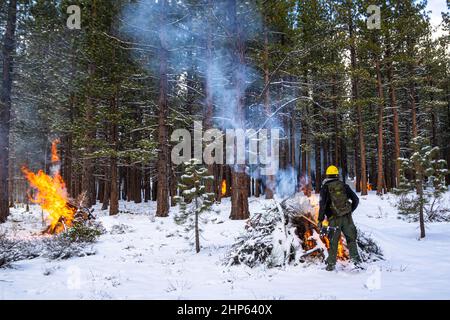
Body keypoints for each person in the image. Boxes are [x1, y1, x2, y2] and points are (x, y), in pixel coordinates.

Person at [318, 165, 361, 271]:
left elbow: (322, 205)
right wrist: (349, 211)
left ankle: (331, 265)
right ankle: (356, 262)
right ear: (337, 175)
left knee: (333, 242)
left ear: (327, 175)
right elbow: (356, 199)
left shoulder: (325, 187)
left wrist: (320, 219)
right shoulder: (344, 186)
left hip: (334, 219)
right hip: (347, 218)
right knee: (351, 240)